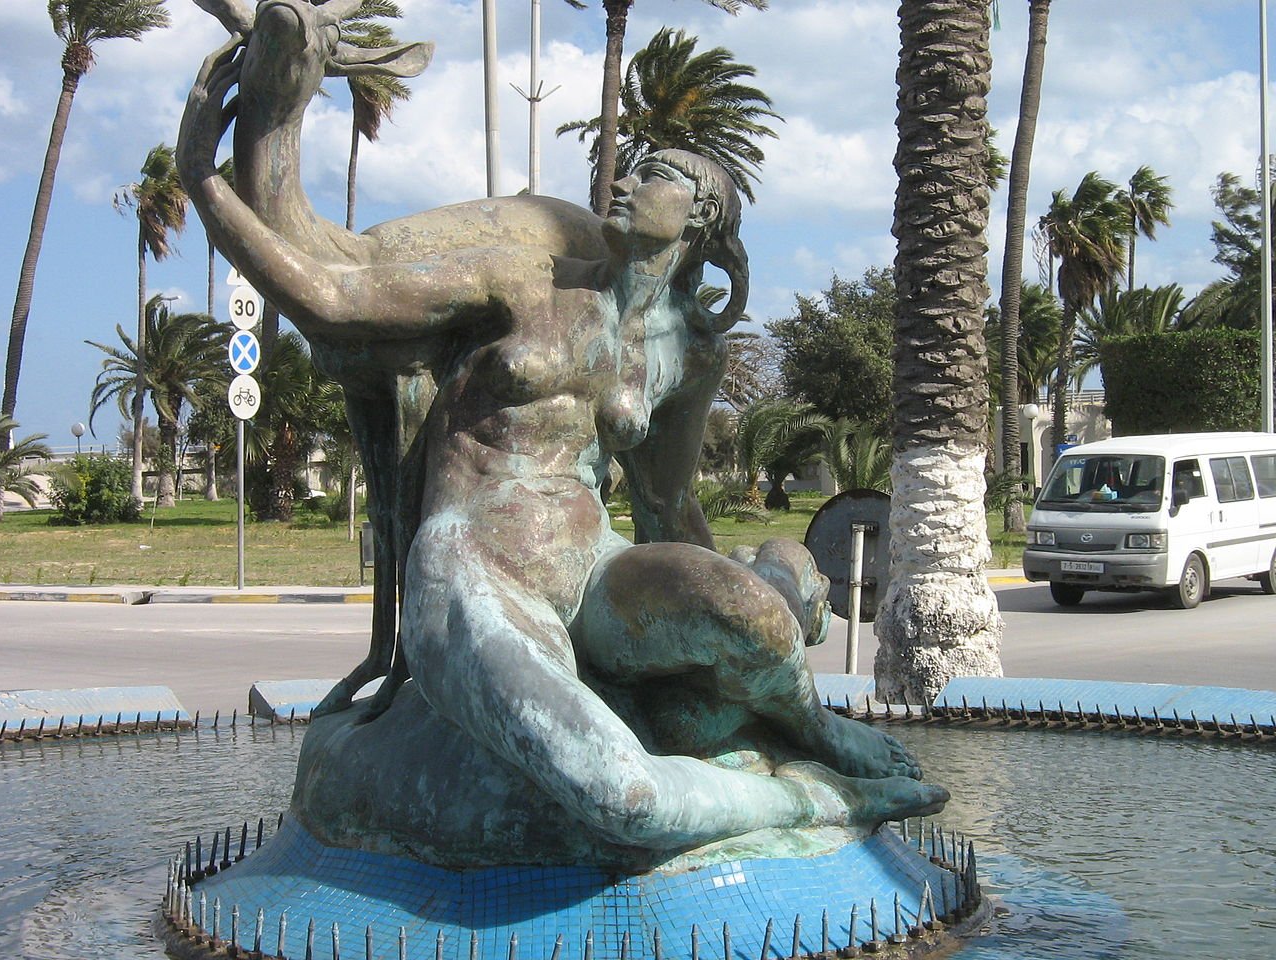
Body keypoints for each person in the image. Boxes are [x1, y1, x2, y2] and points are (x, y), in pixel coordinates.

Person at [180, 42, 946, 856]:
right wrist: (204, 179)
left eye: (652, 175)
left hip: (595, 566)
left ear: (698, 218)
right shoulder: (524, 278)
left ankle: (817, 733)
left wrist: (724, 620)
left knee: (753, 613)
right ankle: (819, 805)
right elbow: (333, 295)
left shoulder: (687, 352)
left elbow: (665, 503)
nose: (622, 182)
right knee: (623, 797)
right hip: (476, 569)